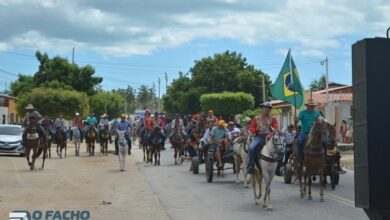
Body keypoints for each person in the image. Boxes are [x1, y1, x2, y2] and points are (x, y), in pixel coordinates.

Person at [247, 102, 279, 174]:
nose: (266, 109)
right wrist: (256, 130)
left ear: (270, 110)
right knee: (251, 148)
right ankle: (251, 166)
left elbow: (276, 128)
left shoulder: (273, 119)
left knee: (280, 148)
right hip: (259, 137)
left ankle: (278, 167)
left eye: (268, 108)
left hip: (270, 138)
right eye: (265, 108)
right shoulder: (256, 118)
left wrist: (271, 134)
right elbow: (252, 128)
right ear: (262, 109)